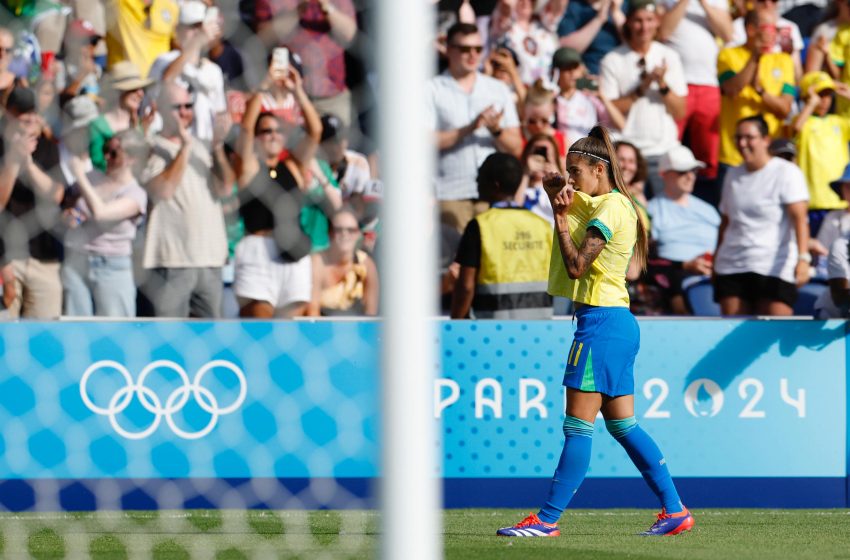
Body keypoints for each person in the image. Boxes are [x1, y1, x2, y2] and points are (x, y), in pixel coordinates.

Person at [496, 126, 693, 537]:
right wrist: (558, 193)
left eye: (576, 172)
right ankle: (674, 511)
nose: (571, 180)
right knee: (623, 426)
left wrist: (560, 216)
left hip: (601, 325)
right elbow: (577, 201)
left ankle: (547, 519)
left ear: (599, 169)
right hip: (614, 323)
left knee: (577, 427)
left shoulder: (612, 210)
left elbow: (575, 266)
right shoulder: (612, 203)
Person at [139, 81, 233, 318]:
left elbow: (226, 187)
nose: (184, 112)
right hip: (172, 259)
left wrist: (218, 146)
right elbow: (164, 190)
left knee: (211, 340)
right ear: (159, 109)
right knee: (170, 341)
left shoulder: (203, 147)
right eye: (176, 107)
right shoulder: (148, 147)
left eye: (188, 106)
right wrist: (184, 148)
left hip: (210, 259)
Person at [235, 66, 322, 319]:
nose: (272, 135)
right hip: (258, 250)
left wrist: (298, 92)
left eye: (278, 130)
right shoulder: (250, 167)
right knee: (260, 323)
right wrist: (263, 88)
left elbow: (315, 132)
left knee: (291, 328)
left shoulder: (293, 166)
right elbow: (245, 129)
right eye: (266, 131)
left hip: (292, 250)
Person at [427, 22, 522, 233]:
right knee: (453, 262)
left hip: (493, 195)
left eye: (478, 49)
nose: (472, 55)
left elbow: (516, 146)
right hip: (451, 193)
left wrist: (496, 130)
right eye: (464, 49)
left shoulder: (498, 89)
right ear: (448, 49)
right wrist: (469, 128)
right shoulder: (431, 88)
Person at [713, 115, 810, 316]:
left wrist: (803, 259)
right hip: (732, 266)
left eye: (749, 137)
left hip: (774, 267)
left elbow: (800, 218)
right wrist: (716, 259)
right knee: (734, 341)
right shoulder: (732, 174)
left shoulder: (787, 172)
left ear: (766, 140)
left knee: (774, 334)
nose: (742, 143)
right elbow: (726, 222)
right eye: (738, 138)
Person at [599, 0, 687, 196]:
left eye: (649, 20)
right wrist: (643, 86)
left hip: (663, 150)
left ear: (657, 22)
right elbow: (611, 110)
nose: (644, 27)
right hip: (627, 155)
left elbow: (680, 110)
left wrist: (662, 84)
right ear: (628, 22)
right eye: (638, 20)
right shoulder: (612, 60)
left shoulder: (669, 56)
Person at [451, 152, 553, 319]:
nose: (476, 182)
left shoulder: (479, 226)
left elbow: (466, 286)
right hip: (540, 328)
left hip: (491, 331)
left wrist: (456, 323)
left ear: (495, 185)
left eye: (480, 177)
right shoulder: (543, 226)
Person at [62, 129, 148, 317]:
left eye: (114, 153)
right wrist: (71, 215)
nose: (107, 156)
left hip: (112, 266)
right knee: (75, 331)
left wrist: (80, 175)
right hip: (78, 260)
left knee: (115, 333)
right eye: (106, 149)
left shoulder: (136, 194)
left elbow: (101, 213)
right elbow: (71, 205)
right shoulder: (93, 178)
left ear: (132, 158)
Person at [0, 86, 64, 319]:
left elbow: (56, 194)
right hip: (6, 258)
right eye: (23, 118)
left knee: (44, 341)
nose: (30, 123)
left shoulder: (47, 146)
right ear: (9, 115)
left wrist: (27, 162)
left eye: (34, 116)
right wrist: (13, 160)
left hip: (43, 258)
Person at [658, 0, 732, 184]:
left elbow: (728, 33)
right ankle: (665, 186)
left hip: (709, 82)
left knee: (708, 149)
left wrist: (704, 4)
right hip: (677, 83)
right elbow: (663, 31)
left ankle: (706, 196)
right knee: (669, 142)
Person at [254, 0, 358, 127]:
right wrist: (299, 10)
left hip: (331, 97)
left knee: (337, 143)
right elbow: (263, 39)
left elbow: (350, 34)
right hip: (288, 98)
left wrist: (326, 6)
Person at [717, 10, 795, 172]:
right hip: (734, 156)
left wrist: (761, 92)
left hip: (771, 156)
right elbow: (731, 89)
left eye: (777, 29)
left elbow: (785, 109)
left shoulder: (784, 61)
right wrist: (755, 57)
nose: (775, 34)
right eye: (770, 28)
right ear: (751, 30)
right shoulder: (728, 55)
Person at [646, 145, 720, 314]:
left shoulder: (709, 209)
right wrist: (686, 265)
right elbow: (649, 258)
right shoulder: (652, 209)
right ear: (663, 174)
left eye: (693, 171)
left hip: (715, 276)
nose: (690, 176)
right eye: (682, 171)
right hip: (676, 281)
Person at [148, 1, 227, 146]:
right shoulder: (164, 61)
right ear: (178, 30)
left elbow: (220, 112)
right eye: (193, 27)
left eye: (201, 27)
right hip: (169, 143)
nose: (199, 32)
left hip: (202, 147)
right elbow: (167, 79)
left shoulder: (213, 71)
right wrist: (196, 42)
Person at [791, 71, 850, 227]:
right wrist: (810, 103)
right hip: (813, 202)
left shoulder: (838, 122)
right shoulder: (803, 121)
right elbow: (795, 129)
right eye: (819, 95)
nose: (824, 101)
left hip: (839, 201)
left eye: (828, 95)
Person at [309, 208, 379, 316]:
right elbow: (312, 314)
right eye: (338, 230)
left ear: (358, 234)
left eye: (351, 230)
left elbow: (371, 313)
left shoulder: (366, 265)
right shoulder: (317, 262)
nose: (344, 234)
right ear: (330, 233)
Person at [88, 61, 154, 171]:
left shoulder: (137, 124)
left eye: (142, 89)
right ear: (118, 91)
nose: (141, 94)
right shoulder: (98, 126)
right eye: (134, 88)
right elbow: (98, 164)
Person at [488, 0, 565, 84]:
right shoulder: (505, 27)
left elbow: (560, 4)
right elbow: (505, 5)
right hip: (517, 89)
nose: (525, 2)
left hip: (548, 90)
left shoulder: (544, 26)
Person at [105, 0, 179, 76]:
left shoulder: (170, 5)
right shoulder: (119, 2)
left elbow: (175, 44)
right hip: (124, 82)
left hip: (158, 81)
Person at [557, 0, 626, 75]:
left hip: (619, 73)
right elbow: (566, 50)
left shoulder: (625, 6)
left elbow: (636, 44)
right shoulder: (575, 6)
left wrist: (616, 12)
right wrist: (599, 19)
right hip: (587, 75)